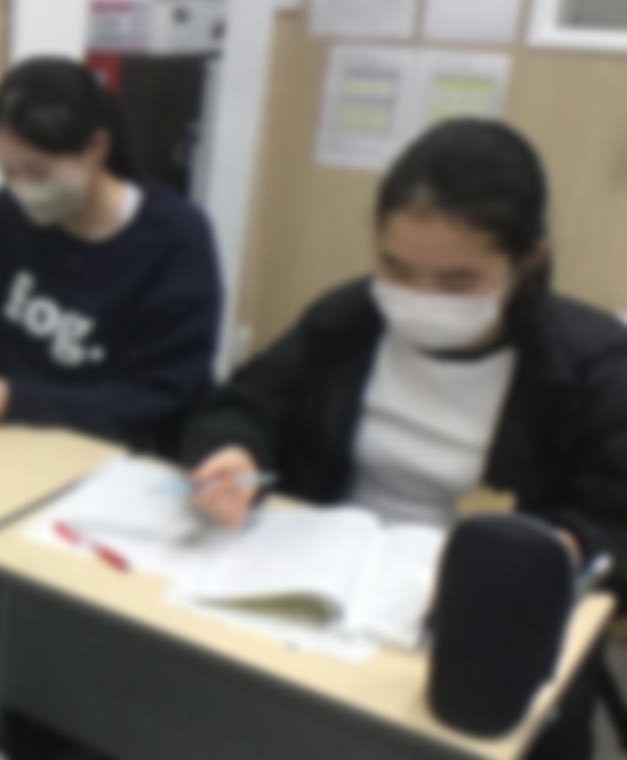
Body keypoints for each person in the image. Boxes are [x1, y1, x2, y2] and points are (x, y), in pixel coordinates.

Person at [181, 119, 627, 760]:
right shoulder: (349, 319)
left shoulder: (592, 367)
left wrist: (560, 548)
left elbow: (614, 520)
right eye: (394, 267)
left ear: (529, 262)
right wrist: (234, 450)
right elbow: (246, 402)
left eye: (458, 282)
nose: (418, 299)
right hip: (326, 591)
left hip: (479, 624)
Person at [0, 57, 223, 449]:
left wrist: (18, 402)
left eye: (38, 173)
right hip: (1, 438)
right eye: (7, 172)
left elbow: (154, 394)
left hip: (106, 452)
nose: (22, 188)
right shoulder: (9, 212)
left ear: (97, 147)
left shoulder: (176, 240)